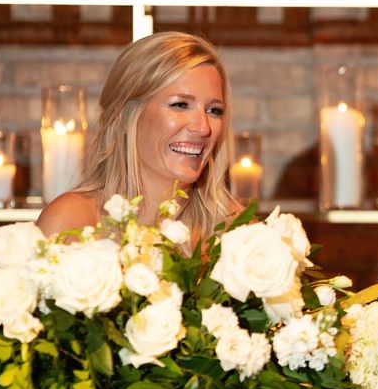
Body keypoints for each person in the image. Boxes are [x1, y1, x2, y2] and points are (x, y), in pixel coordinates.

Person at [37, 32, 237, 243]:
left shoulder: (240, 234)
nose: (203, 127)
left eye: (214, 110)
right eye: (180, 105)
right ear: (124, 115)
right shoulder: (70, 223)